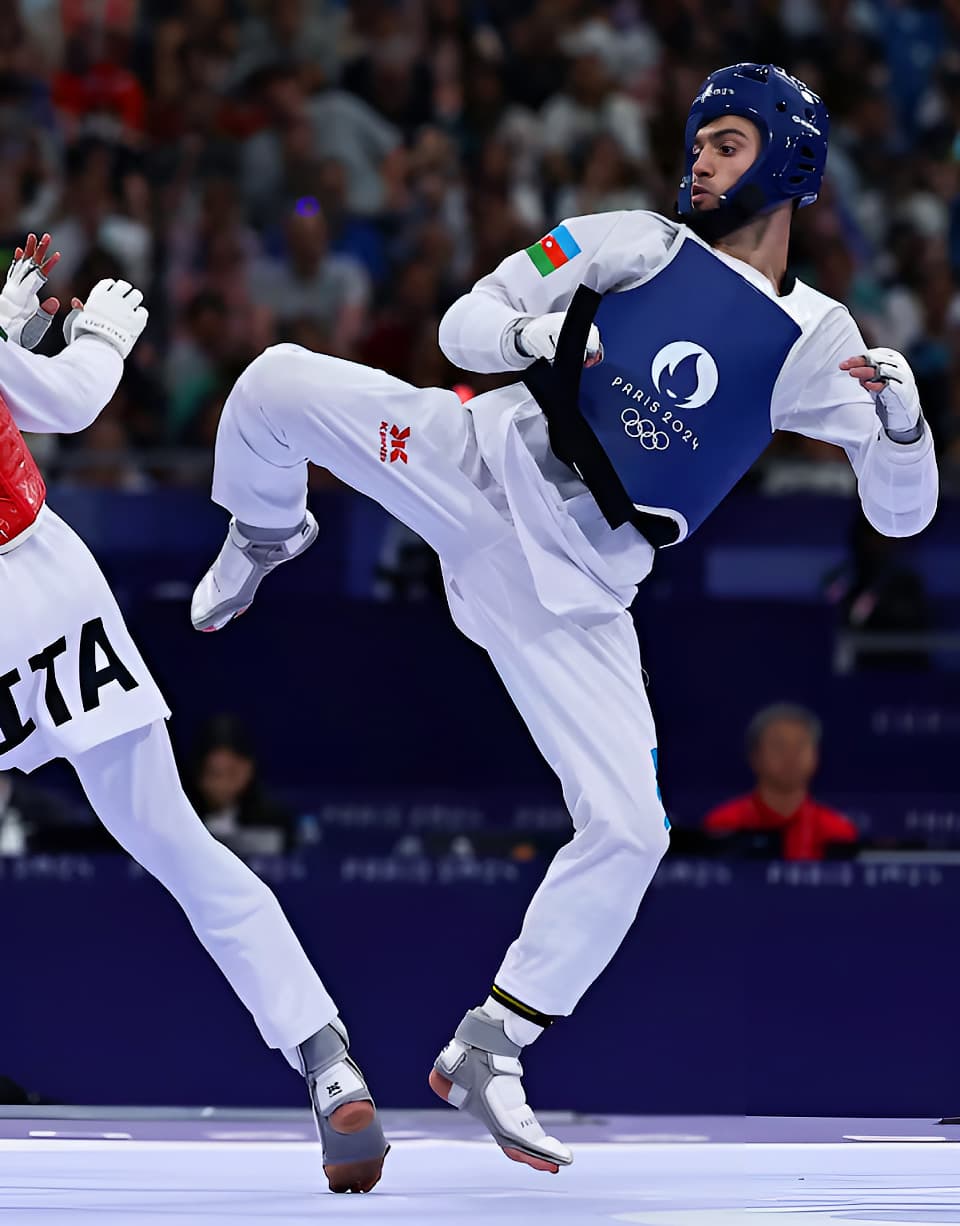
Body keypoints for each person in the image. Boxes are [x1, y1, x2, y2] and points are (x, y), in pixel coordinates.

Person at [191, 64, 939, 1172]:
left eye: (726, 144)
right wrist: (530, 342)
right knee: (272, 383)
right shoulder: (634, 241)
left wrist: (906, 421)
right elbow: (465, 320)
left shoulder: (818, 341)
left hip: (577, 592)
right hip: (477, 466)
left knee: (634, 829)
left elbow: (901, 512)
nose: (700, 160)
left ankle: (491, 1044)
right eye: (697, 143)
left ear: (787, 161)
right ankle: (266, 531)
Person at [0, 235, 386, 1194]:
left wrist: (10, 331)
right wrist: (95, 337)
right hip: (48, 590)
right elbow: (71, 402)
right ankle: (325, 1057)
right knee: (175, 841)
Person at [702, 704, 859, 860]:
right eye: (779, 745)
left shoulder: (837, 831)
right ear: (755, 757)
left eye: (800, 746)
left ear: (815, 757)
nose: (790, 757)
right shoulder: (723, 824)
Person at [187, 713, 295, 855]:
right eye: (214, 773)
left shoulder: (277, 822)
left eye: (232, 773)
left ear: (248, 769)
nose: (223, 785)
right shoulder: (183, 821)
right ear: (199, 774)